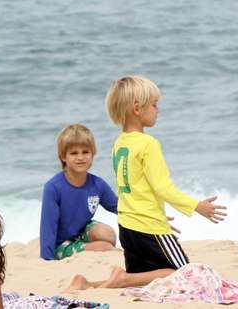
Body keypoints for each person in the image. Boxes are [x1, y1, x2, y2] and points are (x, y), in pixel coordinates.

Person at [67, 75, 227, 290]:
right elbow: (163, 188)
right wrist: (196, 206)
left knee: (143, 278)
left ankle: (87, 284)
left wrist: (155, 217)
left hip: (127, 227)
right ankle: (122, 278)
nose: (158, 110)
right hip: (148, 226)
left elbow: (132, 190)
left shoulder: (120, 143)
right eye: (154, 104)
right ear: (137, 108)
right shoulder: (148, 144)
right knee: (185, 275)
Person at [39, 123, 119, 260]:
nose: (80, 157)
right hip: (61, 243)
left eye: (85, 152)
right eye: (74, 153)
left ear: (93, 154)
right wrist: (47, 260)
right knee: (104, 248)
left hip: (82, 232)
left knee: (108, 234)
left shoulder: (97, 184)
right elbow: (48, 228)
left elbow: (121, 208)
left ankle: (88, 247)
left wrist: (149, 217)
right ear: (63, 157)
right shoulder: (53, 188)